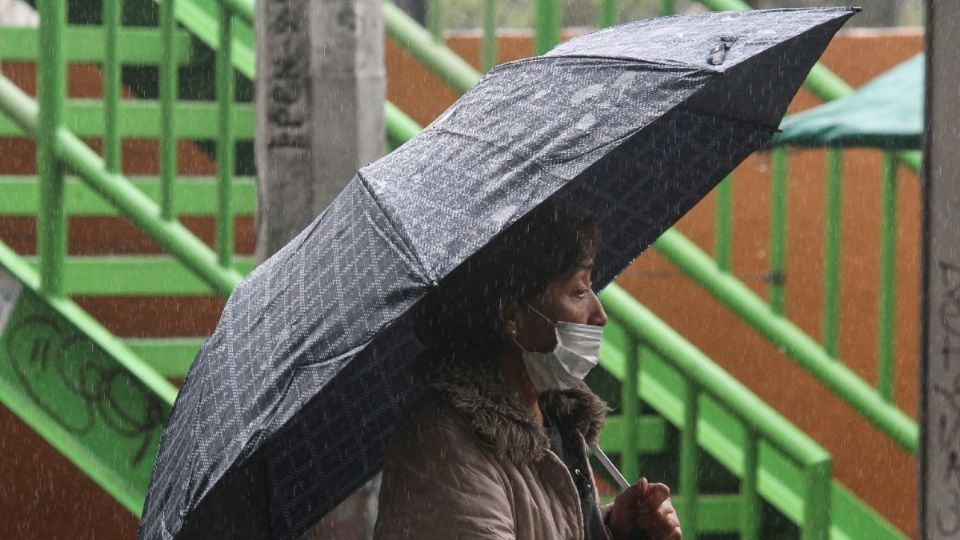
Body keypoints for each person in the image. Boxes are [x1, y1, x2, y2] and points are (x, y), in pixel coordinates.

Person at [373, 202, 682, 540]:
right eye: (578, 291)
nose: (599, 314)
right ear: (512, 316)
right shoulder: (446, 447)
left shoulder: (555, 421)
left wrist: (613, 531)